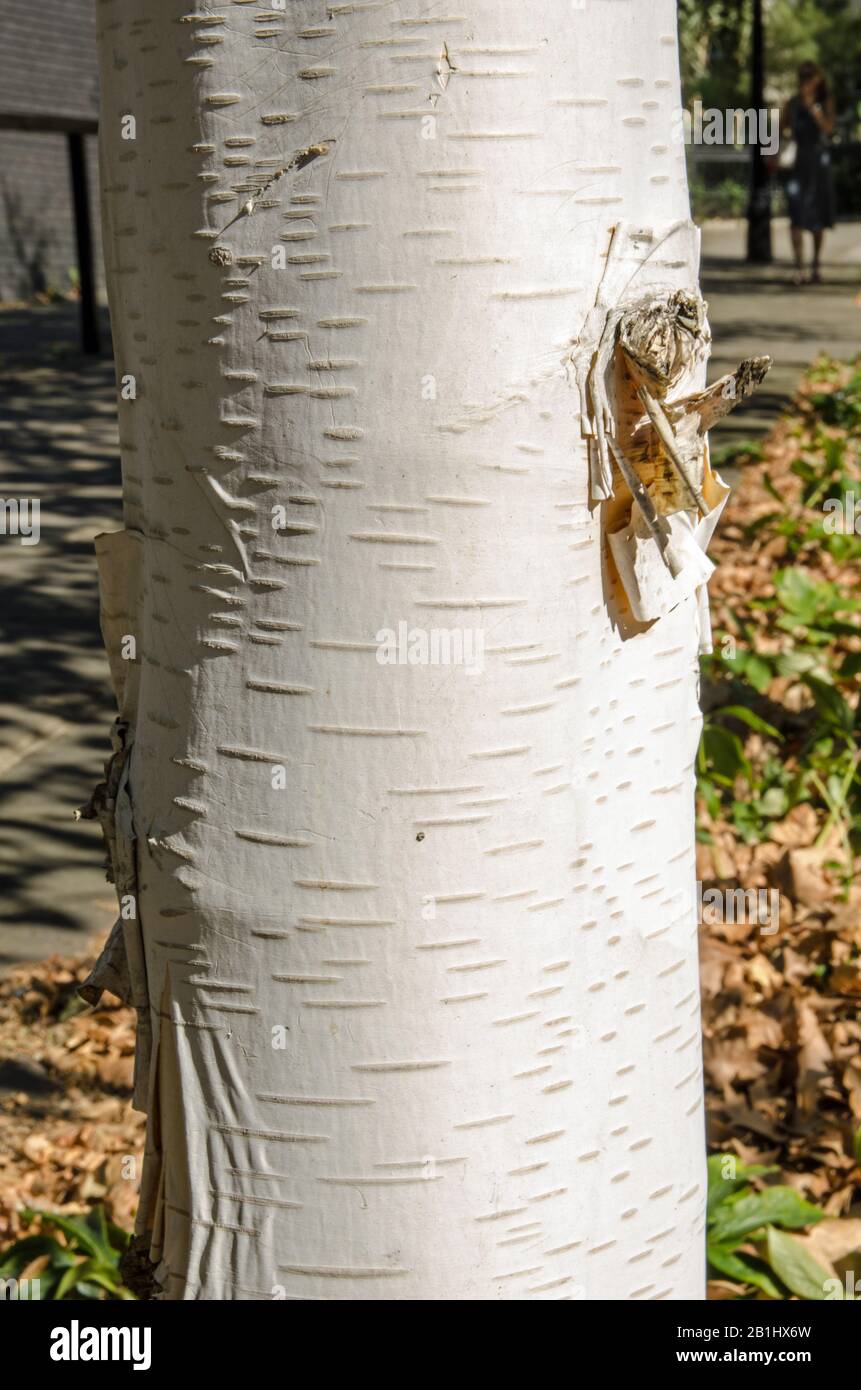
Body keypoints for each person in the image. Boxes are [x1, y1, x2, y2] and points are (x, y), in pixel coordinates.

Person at [779, 61, 836, 285]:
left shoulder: (824, 102)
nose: (806, 82)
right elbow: (781, 128)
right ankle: (798, 266)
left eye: (809, 77)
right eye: (803, 77)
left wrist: (814, 111)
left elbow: (829, 129)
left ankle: (816, 264)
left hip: (819, 164)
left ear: (817, 80)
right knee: (796, 216)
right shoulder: (792, 103)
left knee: (817, 218)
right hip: (799, 163)